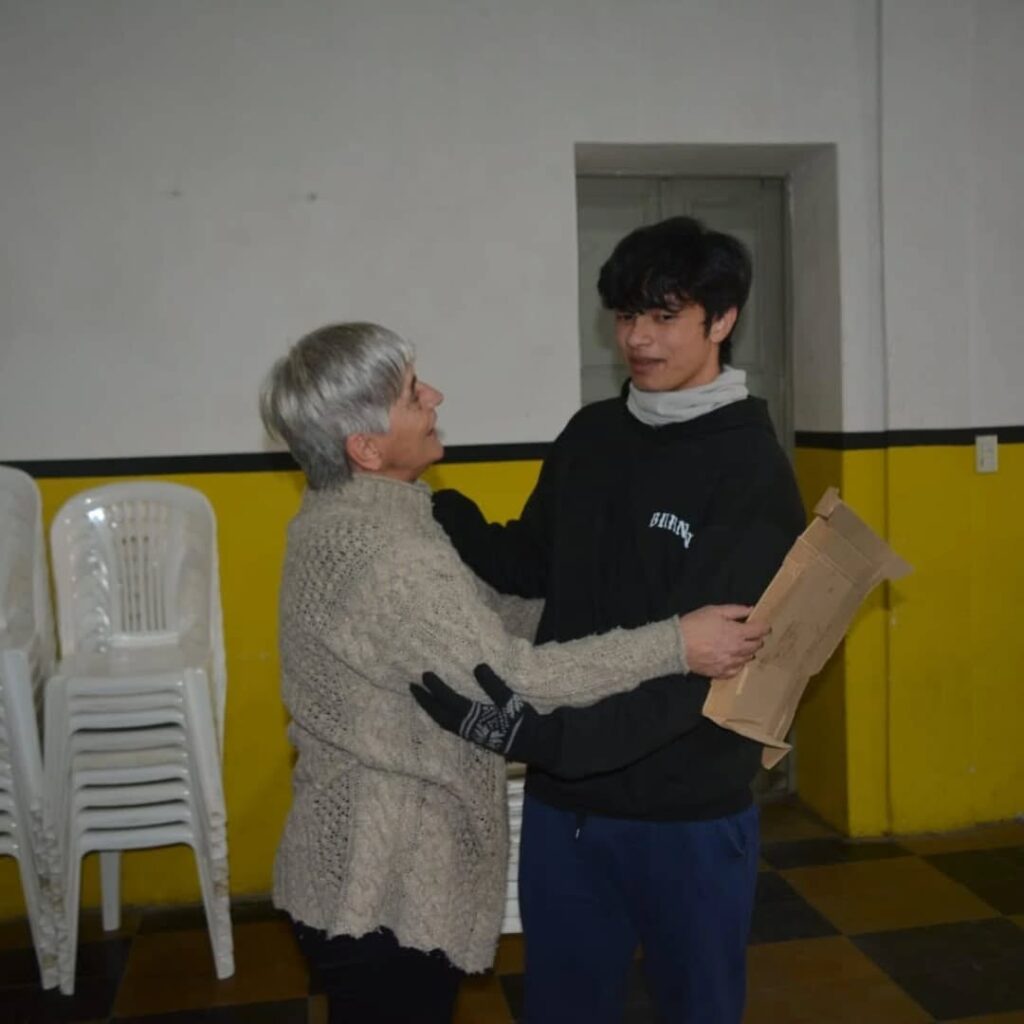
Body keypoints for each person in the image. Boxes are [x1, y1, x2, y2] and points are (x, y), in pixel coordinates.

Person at [258, 320, 769, 1024]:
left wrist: (601, 600)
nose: (435, 397)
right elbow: (514, 678)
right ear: (366, 447)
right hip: (379, 882)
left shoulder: (358, 516)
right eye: (412, 394)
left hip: (357, 869)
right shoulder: (387, 555)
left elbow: (477, 620)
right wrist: (675, 643)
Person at [427, 216, 806, 1024]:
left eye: (665, 316)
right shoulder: (592, 434)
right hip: (567, 808)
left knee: (695, 1008)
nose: (638, 338)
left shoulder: (751, 471)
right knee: (562, 1007)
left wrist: (546, 741)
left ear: (723, 320)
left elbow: (703, 671)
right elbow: (529, 562)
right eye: (627, 315)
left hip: (685, 811)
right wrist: (426, 502)